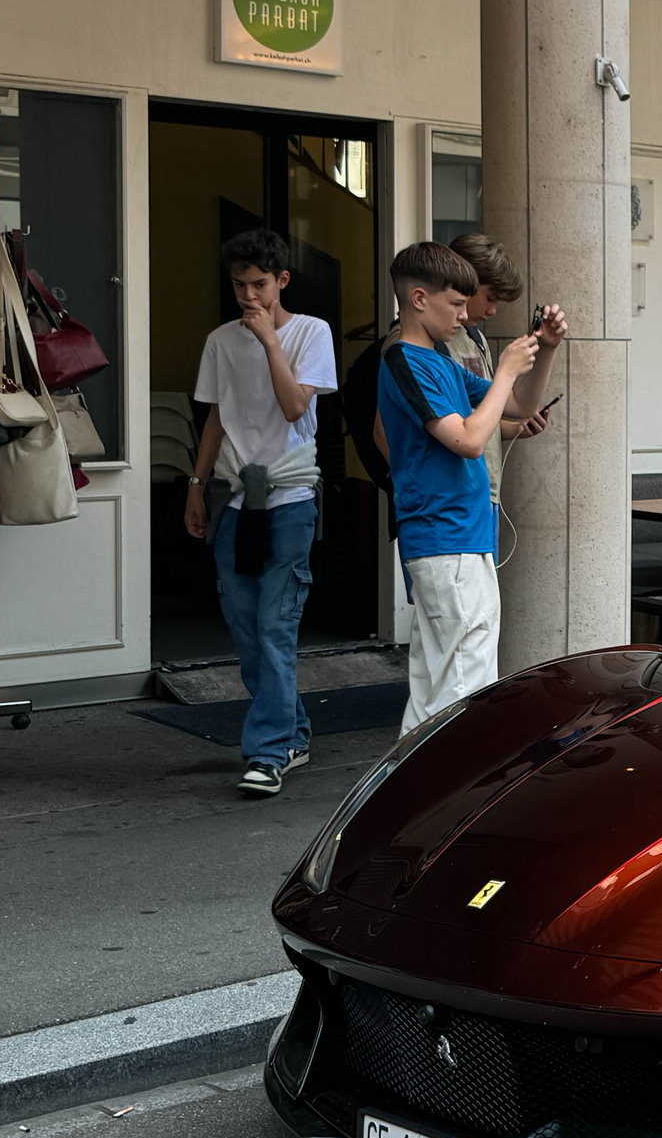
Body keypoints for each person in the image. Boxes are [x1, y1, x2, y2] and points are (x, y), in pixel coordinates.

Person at [378, 240, 563, 732]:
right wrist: (503, 370)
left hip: (461, 538)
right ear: (419, 299)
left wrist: (543, 350)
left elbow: (520, 406)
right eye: (456, 304)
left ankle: (409, 792)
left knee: (440, 682)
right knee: (464, 686)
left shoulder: (440, 362)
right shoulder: (404, 358)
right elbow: (466, 439)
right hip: (445, 538)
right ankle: (448, 797)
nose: (464, 316)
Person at [183, 228, 340, 796]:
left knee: (276, 625)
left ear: (282, 281)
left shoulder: (309, 333)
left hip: (291, 498)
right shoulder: (221, 341)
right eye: (239, 285)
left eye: (259, 284)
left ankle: (268, 752)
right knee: (247, 629)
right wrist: (195, 486)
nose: (249, 296)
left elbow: (297, 404)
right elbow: (217, 418)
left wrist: (271, 341)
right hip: (232, 496)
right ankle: (292, 731)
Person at [373, 231, 549, 510]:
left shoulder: (472, 340)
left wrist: (545, 349)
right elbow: (388, 430)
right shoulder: (409, 353)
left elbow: (492, 411)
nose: (490, 311)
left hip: (480, 496)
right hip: (446, 508)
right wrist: (420, 495)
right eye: (488, 297)